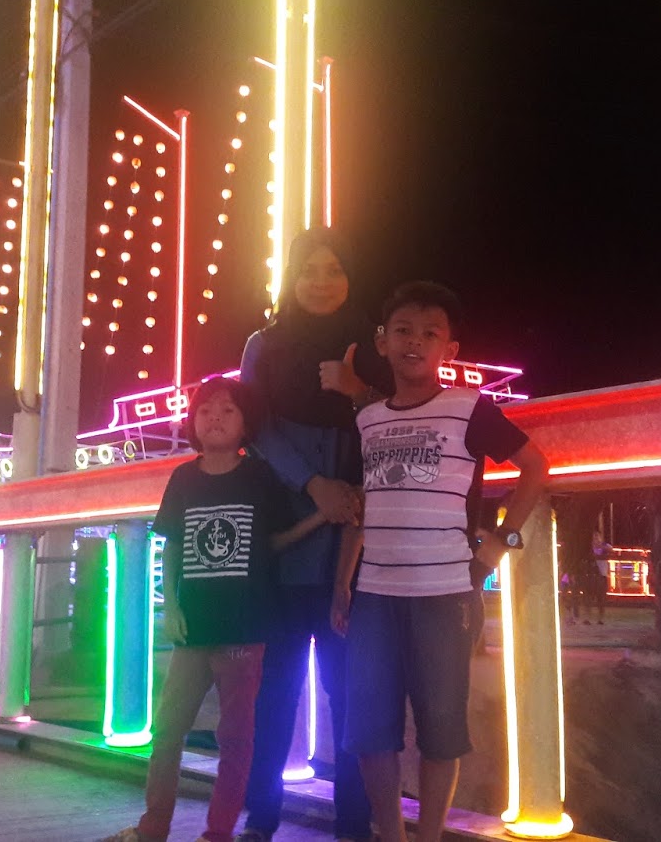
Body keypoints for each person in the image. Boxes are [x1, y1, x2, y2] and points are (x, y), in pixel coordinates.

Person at [331, 282, 548, 842]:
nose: (415, 342)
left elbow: (535, 466)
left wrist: (499, 544)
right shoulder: (368, 419)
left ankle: (427, 835)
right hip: (373, 595)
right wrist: (342, 585)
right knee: (369, 733)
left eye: (430, 334)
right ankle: (391, 834)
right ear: (382, 341)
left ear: (449, 350)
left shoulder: (470, 408)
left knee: (441, 730)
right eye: (403, 331)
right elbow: (365, 505)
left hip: (446, 594)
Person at [102, 378, 335, 842]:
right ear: (192, 422)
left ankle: (218, 833)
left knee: (236, 739)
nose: (215, 418)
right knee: (168, 731)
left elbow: (272, 542)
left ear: (246, 424)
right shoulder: (183, 478)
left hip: (245, 629)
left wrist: (318, 519)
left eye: (228, 410)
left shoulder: (261, 476)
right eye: (206, 410)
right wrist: (170, 606)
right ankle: (153, 827)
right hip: (193, 629)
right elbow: (171, 545)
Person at [236, 229, 389, 842]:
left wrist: (358, 391)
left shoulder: (374, 349)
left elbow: (393, 420)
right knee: (273, 692)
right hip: (283, 541)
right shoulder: (264, 345)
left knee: (351, 694)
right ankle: (260, 818)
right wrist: (314, 483)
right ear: (290, 277)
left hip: (356, 553)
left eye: (334, 269)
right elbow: (254, 426)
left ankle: (356, 825)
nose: (321, 281)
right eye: (308, 269)